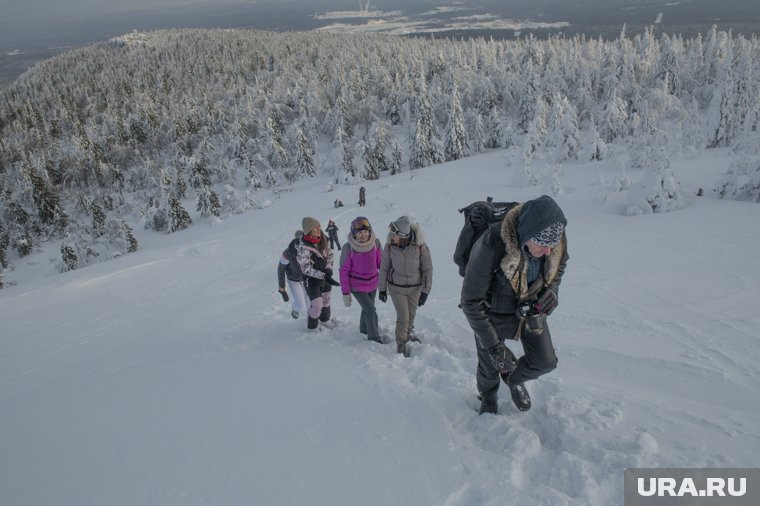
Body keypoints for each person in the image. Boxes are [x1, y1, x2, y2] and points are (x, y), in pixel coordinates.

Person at [460, 195, 568, 414]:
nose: (548, 251)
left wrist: (552, 290)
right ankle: (488, 400)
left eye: (552, 245)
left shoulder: (554, 239)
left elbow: (560, 265)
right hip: (491, 313)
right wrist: (494, 347)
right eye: (542, 244)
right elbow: (470, 301)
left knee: (545, 362)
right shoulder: (492, 243)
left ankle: (513, 379)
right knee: (491, 364)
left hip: (531, 310)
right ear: (526, 233)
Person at [378, 216, 433, 357]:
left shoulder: (420, 246)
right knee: (403, 317)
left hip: (415, 288)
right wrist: (382, 289)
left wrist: (425, 291)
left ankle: (407, 334)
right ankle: (401, 342)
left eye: (394, 235)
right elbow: (384, 268)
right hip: (396, 288)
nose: (391, 237)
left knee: (411, 316)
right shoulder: (390, 246)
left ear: (402, 236)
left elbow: (427, 269)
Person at [339, 216, 383, 343]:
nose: (363, 235)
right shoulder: (349, 248)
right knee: (371, 310)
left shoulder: (376, 243)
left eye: (365, 232)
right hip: (357, 285)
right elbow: (344, 272)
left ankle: (364, 329)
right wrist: (345, 293)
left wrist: (385, 282)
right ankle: (374, 338)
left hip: (373, 283)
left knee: (368, 308)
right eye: (359, 233)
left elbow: (382, 264)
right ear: (354, 234)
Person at [297, 217, 340, 330]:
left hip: (325, 277)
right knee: (317, 306)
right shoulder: (303, 247)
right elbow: (305, 268)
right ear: (308, 230)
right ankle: (312, 325)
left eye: (319, 226)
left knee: (326, 301)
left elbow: (330, 254)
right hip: (311, 281)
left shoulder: (324, 239)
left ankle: (325, 320)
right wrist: (323, 275)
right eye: (314, 228)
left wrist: (329, 267)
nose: (318, 229)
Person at [277, 230, 308, 319]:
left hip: (307, 279)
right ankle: (295, 309)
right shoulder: (288, 253)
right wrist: (282, 287)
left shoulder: (310, 248)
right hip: (294, 280)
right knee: (301, 304)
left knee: (310, 302)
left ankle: (311, 322)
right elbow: (281, 269)